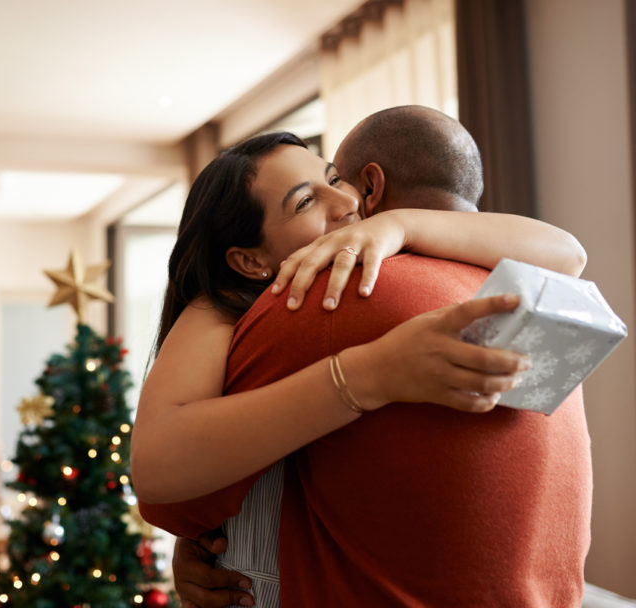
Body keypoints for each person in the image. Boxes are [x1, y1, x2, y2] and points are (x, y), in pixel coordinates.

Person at [139, 107, 590, 607]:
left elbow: (569, 253)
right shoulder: (243, 306)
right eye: (307, 200)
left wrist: (400, 225)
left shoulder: (366, 272)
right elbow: (163, 479)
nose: (347, 200)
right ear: (248, 260)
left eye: (335, 179)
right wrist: (368, 373)